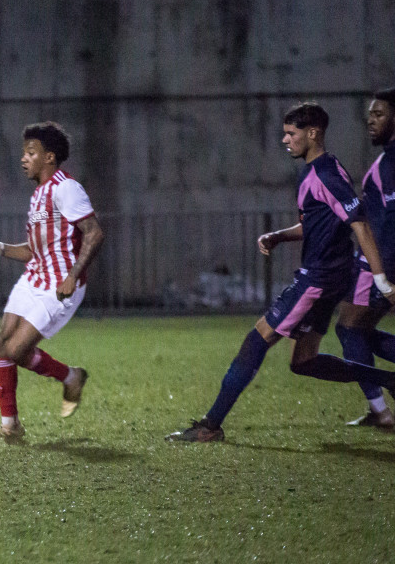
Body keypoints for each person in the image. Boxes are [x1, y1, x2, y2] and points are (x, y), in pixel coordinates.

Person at [168, 102, 395, 443]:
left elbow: (359, 223)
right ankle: (390, 381)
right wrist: (279, 236)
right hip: (327, 278)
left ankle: (210, 426)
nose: (285, 140)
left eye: (291, 134)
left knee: (255, 341)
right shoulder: (322, 166)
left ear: (313, 133)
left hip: (318, 279)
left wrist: (381, 280)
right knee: (303, 361)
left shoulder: (326, 175)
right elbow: (316, 223)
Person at [0, 121, 105, 442]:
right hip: (35, 277)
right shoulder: (38, 196)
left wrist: (73, 275)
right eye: (24, 153)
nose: (24, 159)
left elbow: (94, 233)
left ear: (50, 157)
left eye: (31, 153)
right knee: (2, 342)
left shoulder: (65, 188)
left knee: (17, 350)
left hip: (59, 285)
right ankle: (10, 426)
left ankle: (72, 377)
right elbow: (34, 250)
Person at [336, 88, 395, 429]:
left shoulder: (390, 166)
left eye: (380, 115)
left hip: (379, 266)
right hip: (379, 265)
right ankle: (379, 410)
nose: (370, 121)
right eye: (370, 115)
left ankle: (381, 412)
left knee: (348, 330)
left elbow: (389, 226)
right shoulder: (386, 160)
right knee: (359, 331)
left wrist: (382, 276)